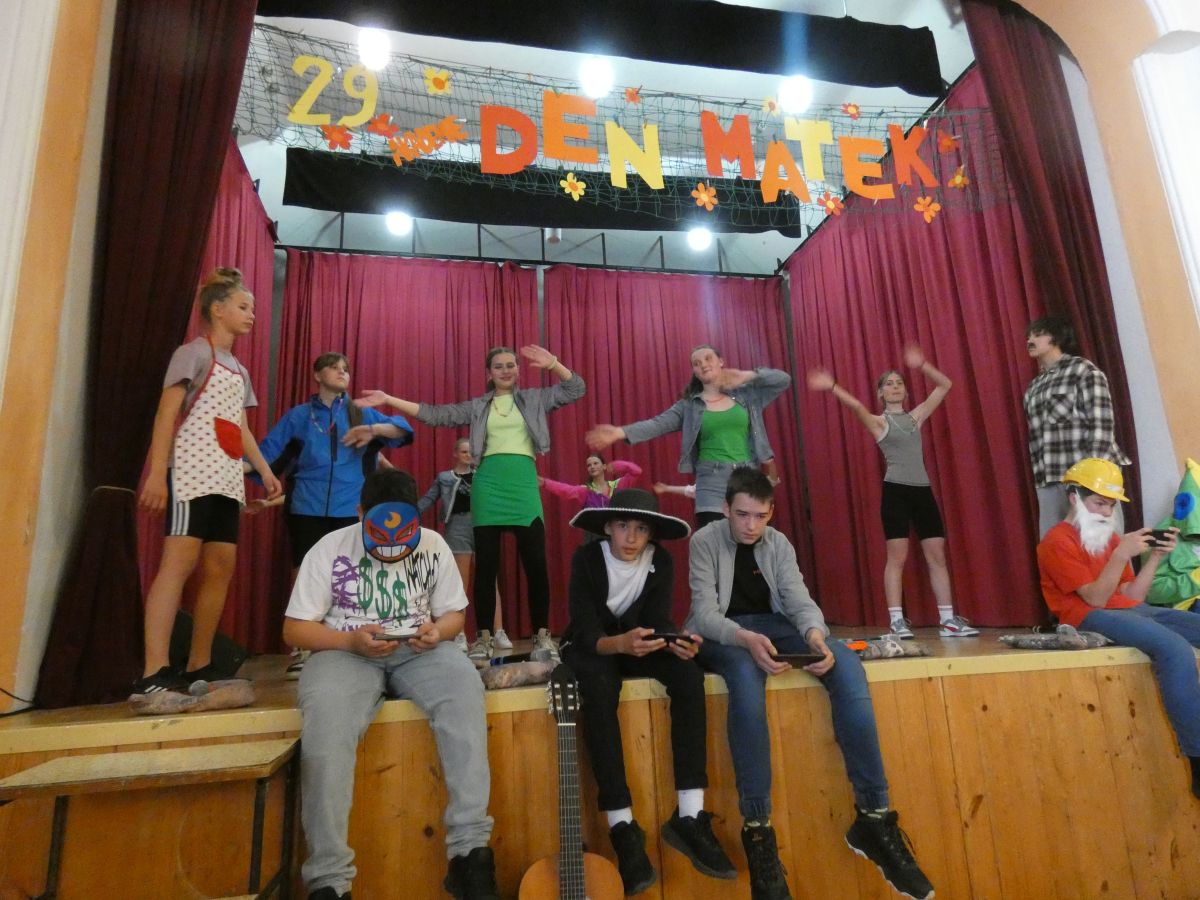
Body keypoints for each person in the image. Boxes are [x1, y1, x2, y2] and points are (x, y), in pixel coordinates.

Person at [686, 468, 934, 900]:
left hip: (776, 625)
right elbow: (705, 613)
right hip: (724, 634)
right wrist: (746, 639)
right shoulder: (704, 540)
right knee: (745, 678)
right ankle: (758, 828)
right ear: (725, 508)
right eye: (742, 514)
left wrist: (816, 637)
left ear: (770, 513)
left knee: (846, 664)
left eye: (760, 516)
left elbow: (799, 601)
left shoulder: (778, 543)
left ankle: (874, 815)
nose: (751, 525)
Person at [284, 469, 499, 899]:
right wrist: (349, 641)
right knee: (326, 730)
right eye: (379, 533)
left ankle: (470, 854)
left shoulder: (433, 545)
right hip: (344, 651)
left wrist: (438, 631)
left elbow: (454, 615)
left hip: (419, 651)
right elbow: (294, 629)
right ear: (360, 512)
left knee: (465, 691)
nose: (392, 546)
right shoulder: (329, 548)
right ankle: (328, 880)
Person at [358, 344, 584, 661]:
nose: (506, 370)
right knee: (486, 568)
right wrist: (389, 399)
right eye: (499, 366)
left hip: (523, 485)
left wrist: (554, 364)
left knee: (536, 565)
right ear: (489, 373)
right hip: (488, 486)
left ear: (518, 369)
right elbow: (435, 414)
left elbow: (575, 389)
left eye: (511, 365)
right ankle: (484, 638)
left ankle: (542, 637)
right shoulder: (478, 407)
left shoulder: (535, 399)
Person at [561, 488, 736, 894]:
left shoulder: (661, 560)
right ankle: (621, 825)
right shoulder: (586, 559)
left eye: (641, 529)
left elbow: (657, 619)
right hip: (593, 647)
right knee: (599, 686)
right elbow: (584, 630)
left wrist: (677, 641)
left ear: (651, 534)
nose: (631, 537)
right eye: (623, 525)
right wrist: (619, 644)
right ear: (607, 527)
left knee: (689, 674)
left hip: (639, 643)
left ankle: (690, 814)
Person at [134, 267, 282, 699]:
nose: (251, 314)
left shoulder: (240, 370)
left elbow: (242, 428)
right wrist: (157, 473)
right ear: (217, 309)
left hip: (226, 478)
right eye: (243, 306)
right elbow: (166, 415)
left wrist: (265, 472)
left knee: (220, 567)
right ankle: (154, 670)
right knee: (178, 564)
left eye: (252, 308)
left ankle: (200, 664)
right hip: (191, 474)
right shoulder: (192, 354)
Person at [1037, 457, 1200, 800]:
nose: (1106, 512)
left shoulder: (1109, 539)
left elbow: (1133, 596)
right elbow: (1095, 599)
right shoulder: (1056, 541)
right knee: (1174, 649)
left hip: (1129, 610)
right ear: (1075, 498)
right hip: (1085, 615)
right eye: (1099, 503)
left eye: (1111, 505)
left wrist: (1155, 558)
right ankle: (1198, 757)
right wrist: (1121, 554)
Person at [253, 352, 414, 676]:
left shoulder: (359, 413)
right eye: (334, 368)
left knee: (353, 572)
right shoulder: (299, 416)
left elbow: (404, 429)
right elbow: (265, 454)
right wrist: (230, 466)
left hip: (351, 506)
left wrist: (374, 429)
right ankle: (304, 648)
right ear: (317, 375)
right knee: (305, 572)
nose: (342, 373)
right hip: (306, 506)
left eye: (346, 369)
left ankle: (355, 636)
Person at [807, 345, 977, 639]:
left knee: (937, 555)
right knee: (897, 557)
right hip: (896, 493)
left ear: (906, 392)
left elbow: (945, 385)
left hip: (923, 493)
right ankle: (897, 621)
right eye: (889, 383)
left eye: (899, 382)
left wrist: (922, 364)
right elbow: (856, 406)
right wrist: (832, 386)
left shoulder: (916, 417)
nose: (895, 386)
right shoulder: (880, 423)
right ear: (881, 393)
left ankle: (948, 620)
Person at [587, 344, 789, 527]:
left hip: (748, 476)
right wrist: (620, 432)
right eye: (696, 363)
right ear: (694, 371)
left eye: (708, 358)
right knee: (713, 542)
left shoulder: (747, 395)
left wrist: (748, 375)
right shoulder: (689, 406)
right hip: (711, 480)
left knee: (750, 539)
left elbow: (783, 380)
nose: (703, 365)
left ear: (721, 361)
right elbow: (657, 424)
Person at [1023, 316, 1130, 536]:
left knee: (1102, 542)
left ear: (1057, 338)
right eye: (1029, 336)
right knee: (1055, 544)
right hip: (1050, 478)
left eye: (1038, 334)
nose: (1030, 340)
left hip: (1088, 476)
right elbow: (1036, 440)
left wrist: (1093, 477)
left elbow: (1102, 424)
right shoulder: (1034, 387)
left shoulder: (1082, 370)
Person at [419, 437, 510, 655]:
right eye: (464, 452)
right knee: (460, 581)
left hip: (484, 524)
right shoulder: (445, 478)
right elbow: (428, 500)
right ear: (455, 454)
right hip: (457, 527)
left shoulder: (483, 475)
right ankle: (459, 634)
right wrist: (407, 512)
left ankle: (498, 632)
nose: (468, 455)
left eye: (471, 452)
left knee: (490, 580)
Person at [540, 452, 643, 542]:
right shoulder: (586, 491)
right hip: (594, 539)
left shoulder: (617, 485)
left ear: (604, 466)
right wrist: (545, 483)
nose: (592, 467)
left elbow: (637, 472)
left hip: (616, 536)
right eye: (589, 465)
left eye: (595, 463)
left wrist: (618, 465)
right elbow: (566, 490)